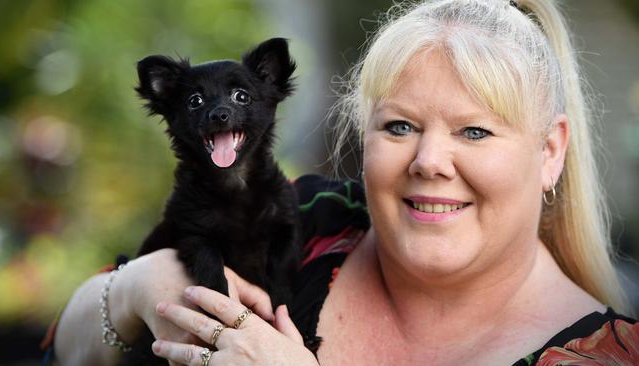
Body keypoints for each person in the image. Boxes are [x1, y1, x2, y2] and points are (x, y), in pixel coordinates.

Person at [46, 0, 639, 365]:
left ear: (550, 151)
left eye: (475, 132)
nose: (429, 160)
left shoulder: (610, 358)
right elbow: (61, 351)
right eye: (401, 126)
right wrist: (133, 290)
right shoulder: (304, 217)